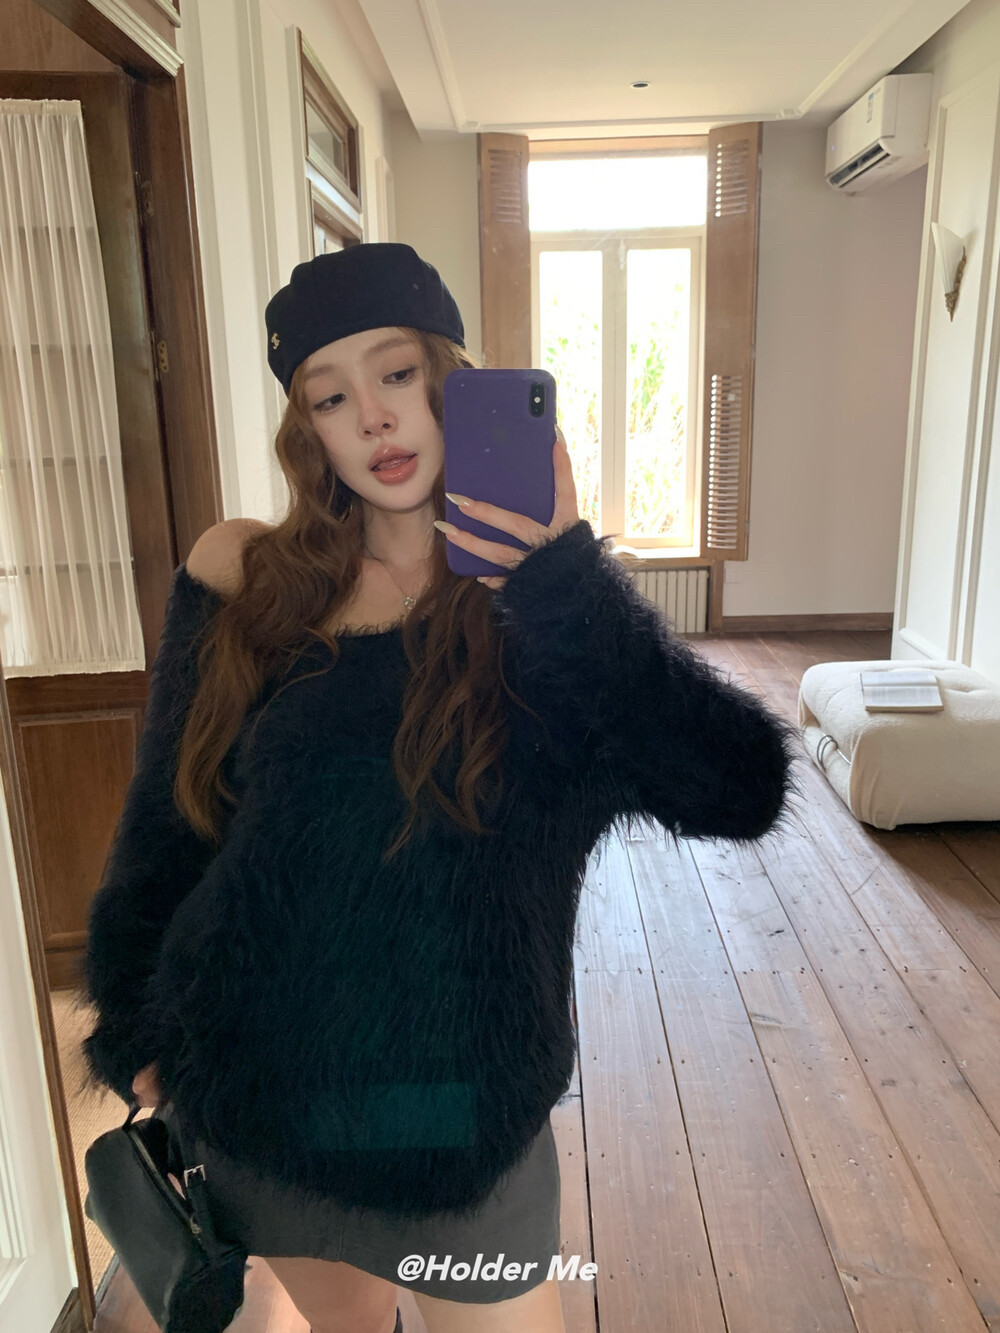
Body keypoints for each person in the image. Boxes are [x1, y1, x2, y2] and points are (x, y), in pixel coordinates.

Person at [80, 243, 794, 1333]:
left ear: (452, 379)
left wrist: (563, 582)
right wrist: (133, 1028)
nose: (372, 416)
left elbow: (740, 786)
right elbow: (169, 826)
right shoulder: (248, 584)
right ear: (308, 429)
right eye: (330, 395)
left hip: (462, 1114)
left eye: (397, 372)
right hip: (270, 1087)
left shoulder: (551, 614)